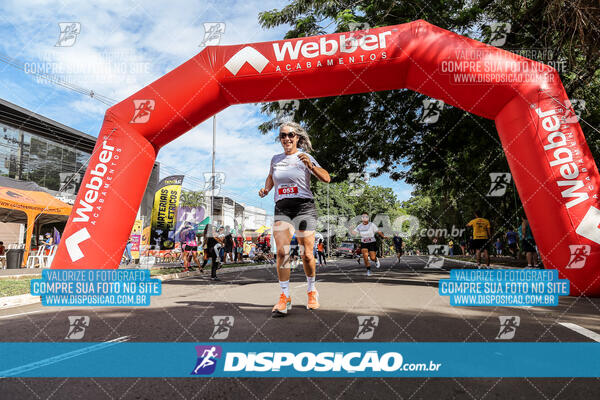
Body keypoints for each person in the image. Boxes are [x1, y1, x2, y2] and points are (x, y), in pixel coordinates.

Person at [258, 122, 330, 317]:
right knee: (282, 252)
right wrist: (266, 189)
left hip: (304, 206)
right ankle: (284, 296)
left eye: (291, 135)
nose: (287, 139)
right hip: (282, 207)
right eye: (283, 135)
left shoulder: (304, 157)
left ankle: (311, 289)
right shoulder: (275, 159)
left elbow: (326, 178)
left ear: (298, 137)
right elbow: (271, 177)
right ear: (280, 139)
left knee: (307, 254)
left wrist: (311, 166)